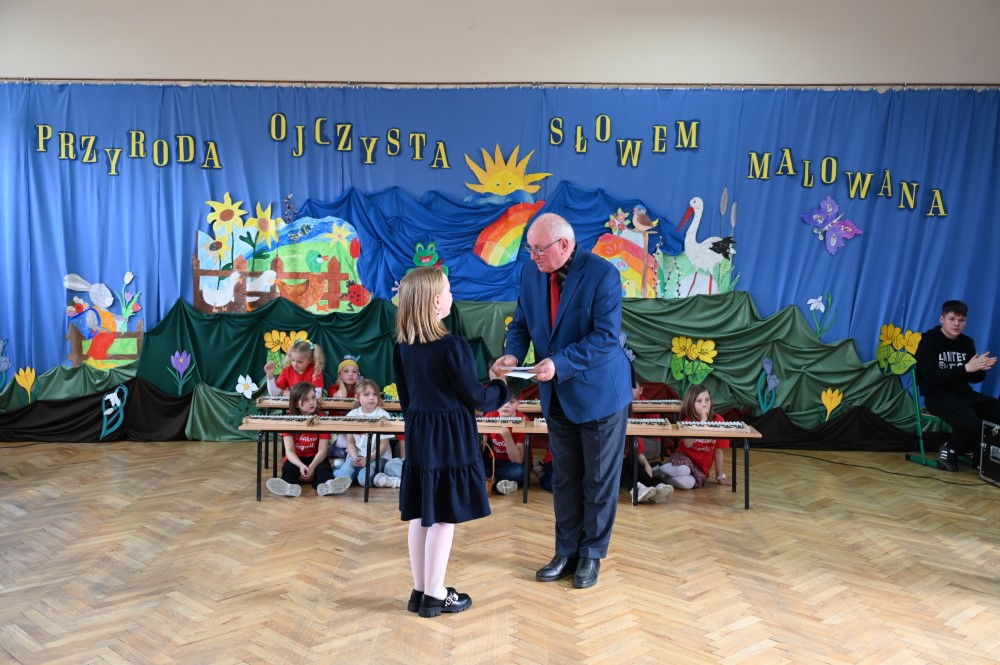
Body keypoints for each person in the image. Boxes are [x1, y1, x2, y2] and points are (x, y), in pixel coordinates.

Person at [492, 212, 632, 590]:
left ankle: (591, 555)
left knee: (598, 479)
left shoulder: (603, 275)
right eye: (530, 249)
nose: (533, 256)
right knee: (565, 477)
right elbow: (522, 323)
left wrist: (560, 362)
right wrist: (512, 354)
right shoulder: (530, 273)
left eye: (539, 249)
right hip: (556, 393)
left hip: (600, 393)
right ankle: (565, 551)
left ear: (565, 245)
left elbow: (606, 338)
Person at [393, 266, 508, 618]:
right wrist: (501, 385)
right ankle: (435, 594)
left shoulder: (402, 347)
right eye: (448, 290)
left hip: (420, 433)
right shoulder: (452, 346)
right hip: (451, 436)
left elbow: (406, 400)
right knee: (444, 515)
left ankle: (420, 590)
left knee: (420, 513)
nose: (452, 295)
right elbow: (477, 398)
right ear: (434, 301)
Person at [915, 300, 1000, 471]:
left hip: (964, 394)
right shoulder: (928, 341)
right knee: (969, 422)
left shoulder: (966, 342)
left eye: (961, 320)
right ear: (942, 319)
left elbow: (975, 379)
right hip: (937, 396)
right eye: (952, 319)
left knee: (996, 410)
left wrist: (979, 368)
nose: (956, 324)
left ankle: (975, 450)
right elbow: (931, 377)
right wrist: (965, 368)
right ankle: (950, 449)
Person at [266, 381, 351, 497]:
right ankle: (289, 487)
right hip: (296, 458)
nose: (311, 402)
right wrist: (301, 466)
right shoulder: (288, 420)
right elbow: (289, 451)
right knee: (290, 469)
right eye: (305, 399)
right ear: (296, 403)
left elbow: (322, 450)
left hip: (316, 457)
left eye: (313, 397)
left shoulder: (322, 418)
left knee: (323, 469)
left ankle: (328, 485)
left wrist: (312, 467)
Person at [652, 384, 731, 489]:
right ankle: (655, 471)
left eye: (707, 400)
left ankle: (662, 477)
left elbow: (718, 451)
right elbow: (688, 444)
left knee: (687, 484)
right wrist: (702, 422)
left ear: (711, 402)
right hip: (683, 459)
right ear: (691, 404)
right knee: (684, 470)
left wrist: (720, 477)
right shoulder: (688, 421)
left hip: (700, 468)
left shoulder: (719, 421)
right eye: (699, 401)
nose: (704, 404)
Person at [332, 378, 395, 487]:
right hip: (357, 456)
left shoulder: (384, 415)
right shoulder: (352, 415)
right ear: (357, 397)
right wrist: (355, 457)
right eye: (366, 394)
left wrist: (367, 459)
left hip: (378, 457)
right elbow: (350, 442)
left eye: (375, 394)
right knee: (341, 478)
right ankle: (341, 470)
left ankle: (360, 473)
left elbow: (383, 447)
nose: (371, 397)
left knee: (364, 480)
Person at [482, 386, 527, 495]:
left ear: (518, 403)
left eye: (511, 402)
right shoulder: (490, 415)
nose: (506, 405)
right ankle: (500, 483)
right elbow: (480, 449)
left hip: (512, 464)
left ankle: (491, 480)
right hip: (494, 462)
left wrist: (505, 433)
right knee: (476, 466)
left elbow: (517, 460)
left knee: (519, 472)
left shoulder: (523, 420)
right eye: (502, 400)